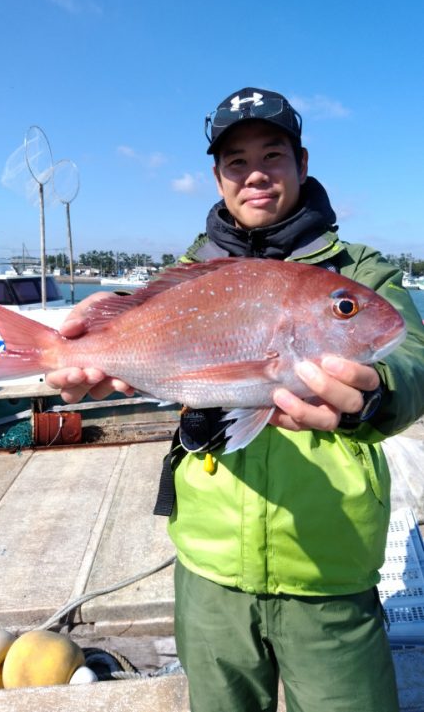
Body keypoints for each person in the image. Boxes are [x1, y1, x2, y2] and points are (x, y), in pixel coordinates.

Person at [47, 87, 424, 712]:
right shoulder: (184, 274)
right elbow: (142, 346)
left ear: (302, 164)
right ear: (218, 176)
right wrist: (93, 343)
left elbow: (413, 354)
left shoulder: (357, 273)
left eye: (273, 155)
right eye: (235, 161)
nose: (256, 174)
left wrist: (378, 395)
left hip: (331, 571)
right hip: (209, 571)